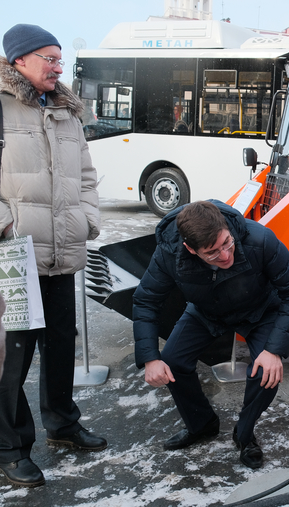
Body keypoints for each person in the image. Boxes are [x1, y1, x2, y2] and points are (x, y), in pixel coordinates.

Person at [0, 24, 104, 488]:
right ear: (19, 60)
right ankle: (11, 447)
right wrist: (7, 225)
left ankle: (62, 424)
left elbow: (85, 176)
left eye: (61, 58)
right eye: (49, 58)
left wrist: (88, 219)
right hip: (14, 256)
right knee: (11, 358)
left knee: (61, 344)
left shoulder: (66, 112)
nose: (58, 66)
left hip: (63, 250)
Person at [133, 200, 289, 469]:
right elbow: (145, 301)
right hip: (206, 312)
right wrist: (149, 358)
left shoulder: (259, 239)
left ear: (228, 229)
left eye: (227, 243)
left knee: (266, 374)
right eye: (212, 253)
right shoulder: (169, 253)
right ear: (190, 249)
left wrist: (274, 350)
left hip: (259, 310)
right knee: (172, 362)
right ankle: (201, 424)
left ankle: (245, 434)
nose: (225, 255)